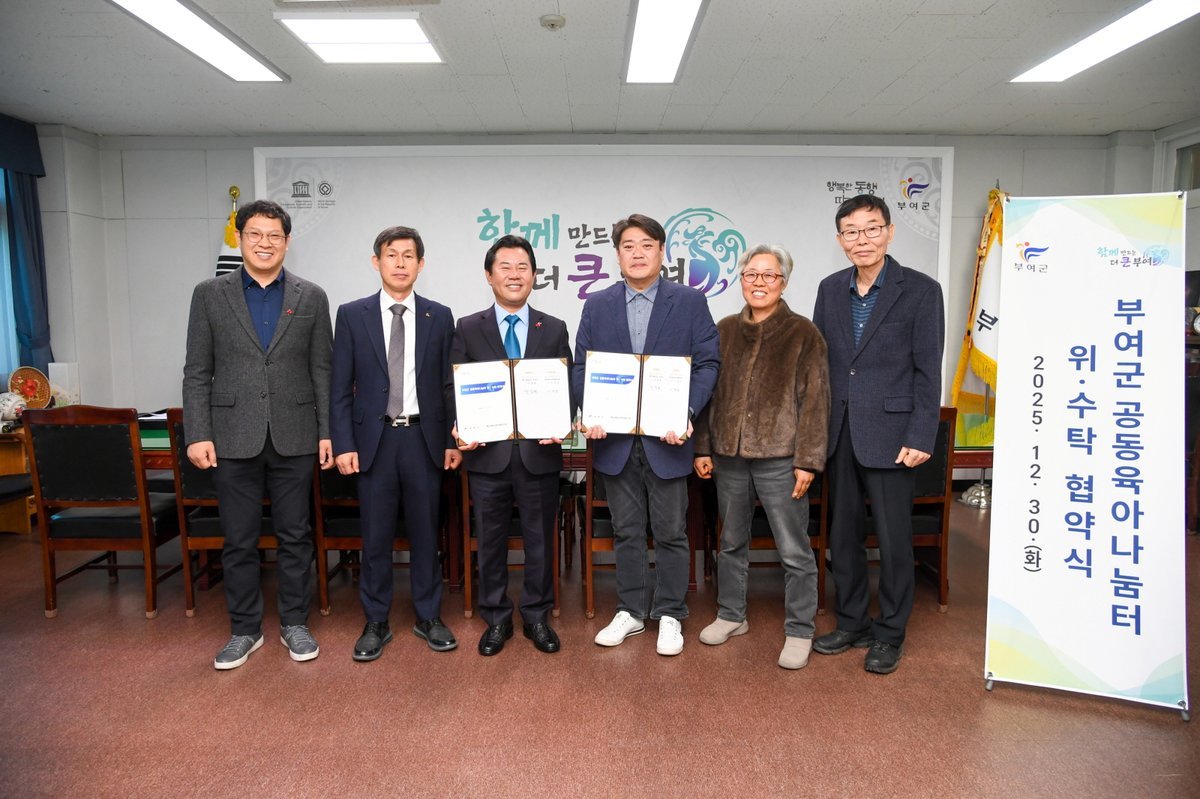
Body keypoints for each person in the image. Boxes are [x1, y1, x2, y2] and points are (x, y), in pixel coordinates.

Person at [182, 199, 333, 671]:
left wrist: (327, 432)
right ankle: (244, 630)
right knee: (239, 539)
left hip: (295, 434)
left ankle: (295, 623)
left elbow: (322, 370)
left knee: (295, 536)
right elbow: (196, 370)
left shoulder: (311, 296)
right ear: (241, 238)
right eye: (255, 234)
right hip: (231, 435)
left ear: (287, 242)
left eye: (274, 236)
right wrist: (197, 433)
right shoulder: (210, 294)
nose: (265, 243)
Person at [571, 213, 720, 656]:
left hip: (668, 439)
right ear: (617, 255)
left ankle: (671, 613)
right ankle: (631, 611)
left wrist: (686, 410)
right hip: (614, 441)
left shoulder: (690, 302)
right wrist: (590, 411)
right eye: (628, 246)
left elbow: (708, 363)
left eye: (647, 245)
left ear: (661, 252)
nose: (637, 253)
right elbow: (581, 367)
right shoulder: (597, 305)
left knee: (671, 531)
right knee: (627, 531)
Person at [811, 194, 944, 675]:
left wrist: (922, 434)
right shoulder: (830, 289)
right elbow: (822, 365)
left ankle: (889, 633)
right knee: (843, 535)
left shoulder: (922, 290)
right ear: (840, 239)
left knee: (893, 540)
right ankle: (852, 622)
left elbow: (928, 370)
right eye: (851, 231)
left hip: (894, 435)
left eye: (871, 229)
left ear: (889, 231)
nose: (861, 239)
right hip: (840, 431)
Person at [692, 244, 829, 670]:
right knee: (731, 541)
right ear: (741, 280)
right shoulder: (725, 330)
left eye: (769, 275)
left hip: (781, 458)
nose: (759, 283)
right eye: (751, 274)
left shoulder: (804, 333)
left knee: (794, 549)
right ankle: (731, 614)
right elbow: (709, 395)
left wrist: (808, 460)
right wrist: (703, 447)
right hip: (729, 457)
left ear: (783, 283)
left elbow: (816, 402)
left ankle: (800, 629)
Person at [330, 226, 462, 662]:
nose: (400, 263)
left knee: (426, 532)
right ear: (377, 262)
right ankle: (376, 620)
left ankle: (429, 616)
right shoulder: (352, 314)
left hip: (424, 438)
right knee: (376, 536)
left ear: (421, 265)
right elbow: (339, 387)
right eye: (392, 255)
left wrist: (452, 437)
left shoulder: (439, 315)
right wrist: (344, 443)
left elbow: (448, 384)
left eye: (409, 256)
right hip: (375, 439)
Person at [450, 235, 572, 656]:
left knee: (540, 541)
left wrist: (562, 420)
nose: (514, 275)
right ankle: (497, 617)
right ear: (489, 275)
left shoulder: (554, 328)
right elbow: (453, 385)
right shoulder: (468, 327)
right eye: (505, 267)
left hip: (539, 452)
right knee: (491, 540)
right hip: (488, 454)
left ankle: (537, 616)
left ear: (534, 276)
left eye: (523, 267)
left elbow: (566, 385)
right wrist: (460, 425)